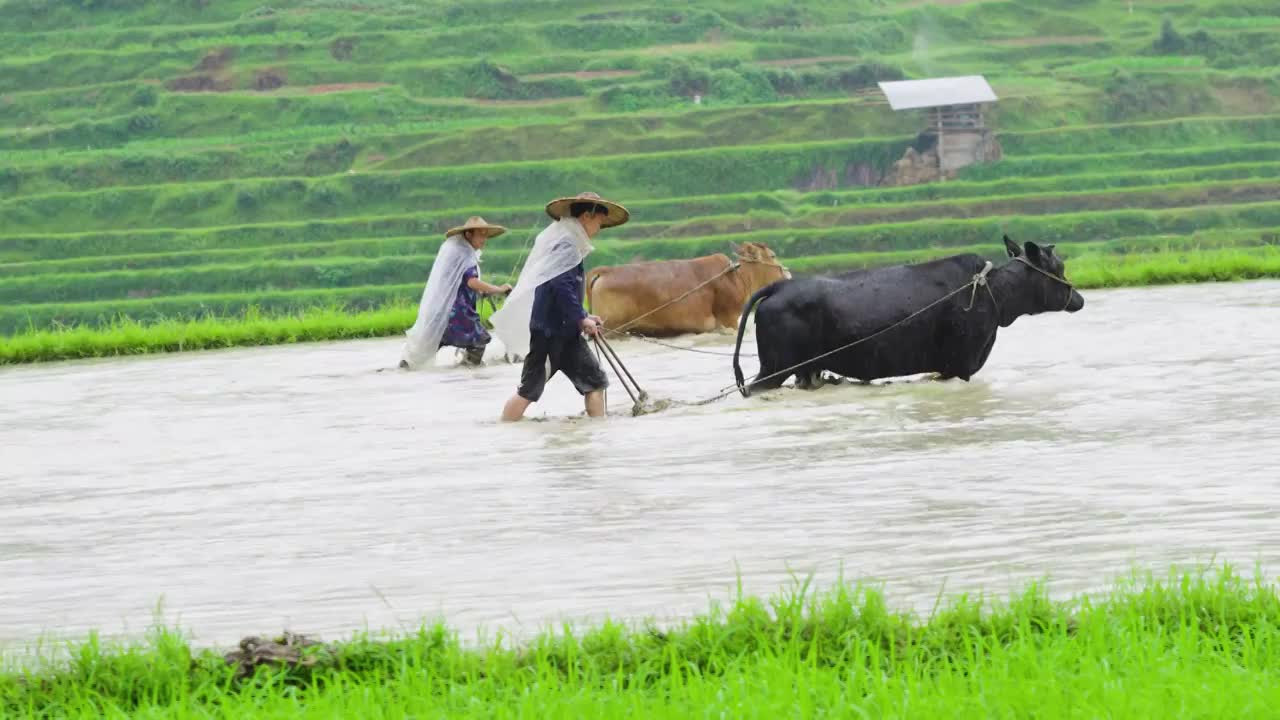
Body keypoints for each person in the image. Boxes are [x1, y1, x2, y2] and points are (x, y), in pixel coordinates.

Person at [490, 192, 630, 422]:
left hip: (566, 334)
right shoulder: (566, 245)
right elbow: (560, 286)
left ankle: (598, 432)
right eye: (598, 222)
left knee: (595, 382)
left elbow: (565, 290)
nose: (598, 228)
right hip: (549, 334)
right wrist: (581, 318)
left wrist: (584, 315)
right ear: (586, 216)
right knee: (528, 391)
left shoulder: (569, 242)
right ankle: (504, 430)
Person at [399, 216, 512, 369]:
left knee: (427, 345)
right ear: (468, 235)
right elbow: (471, 282)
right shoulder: (464, 255)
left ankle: (406, 367)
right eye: (480, 234)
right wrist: (498, 289)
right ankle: (468, 371)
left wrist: (482, 292)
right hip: (459, 313)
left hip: (443, 311)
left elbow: (460, 283)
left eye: (486, 234)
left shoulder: (456, 254)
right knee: (478, 342)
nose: (484, 239)